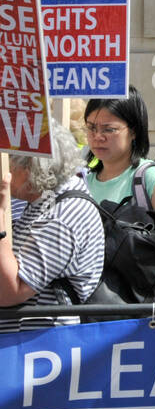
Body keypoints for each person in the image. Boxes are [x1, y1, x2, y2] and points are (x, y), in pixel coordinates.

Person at [0, 123, 105, 332]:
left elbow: (10, 292)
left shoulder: (65, 215)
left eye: (6, 162)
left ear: (28, 167)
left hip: (40, 349)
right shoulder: (47, 200)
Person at [84, 88, 155, 258]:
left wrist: (126, 243)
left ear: (134, 131)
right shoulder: (82, 182)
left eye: (109, 129)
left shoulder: (150, 178)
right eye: (91, 128)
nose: (98, 136)